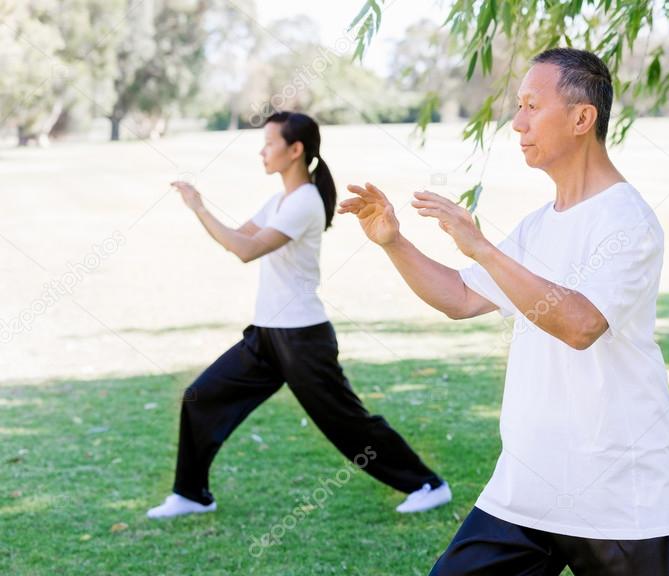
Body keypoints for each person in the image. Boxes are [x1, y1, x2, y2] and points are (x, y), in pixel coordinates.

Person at [339, 49, 669, 576]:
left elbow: (579, 324)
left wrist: (481, 245)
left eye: (532, 105)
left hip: (612, 485)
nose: (517, 122)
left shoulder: (627, 221)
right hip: (528, 481)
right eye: (518, 106)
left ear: (582, 117)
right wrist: (394, 241)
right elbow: (461, 297)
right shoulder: (537, 226)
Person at [146, 111, 451, 520]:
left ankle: (428, 484)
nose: (262, 151)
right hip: (268, 336)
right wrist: (201, 210)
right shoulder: (281, 200)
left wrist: (198, 207)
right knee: (201, 397)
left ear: (295, 150)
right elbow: (240, 236)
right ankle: (191, 494)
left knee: (346, 423)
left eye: (270, 143)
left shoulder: (305, 201)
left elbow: (244, 250)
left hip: (302, 339)